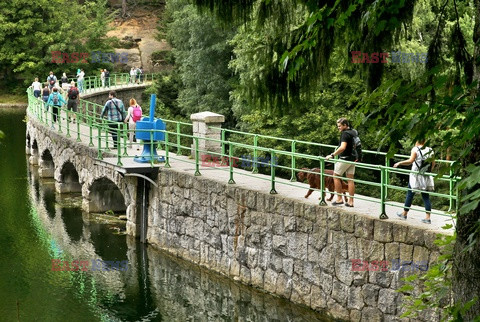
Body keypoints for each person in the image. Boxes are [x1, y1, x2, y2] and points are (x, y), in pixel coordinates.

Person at [393, 139, 435, 224]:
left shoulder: (415, 149)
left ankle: (404, 213)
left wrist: (399, 163)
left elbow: (410, 161)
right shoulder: (430, 150)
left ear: (417, 141)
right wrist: (428, 172)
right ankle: (427, 217)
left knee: (410, 194)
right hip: (426, 175)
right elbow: (433, 163)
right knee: (426, 196)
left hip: (415, 175)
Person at [325, 118, 358, 207]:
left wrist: (332, 155)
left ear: (345, 125)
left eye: (339, 126)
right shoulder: (353, 132)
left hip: (345, 159)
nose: (338, 128)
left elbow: (342, 147)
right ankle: (351, 202)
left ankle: (339, 199)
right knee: (350, 179)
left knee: (336, 176)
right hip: (353, 159)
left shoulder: (344, 134)